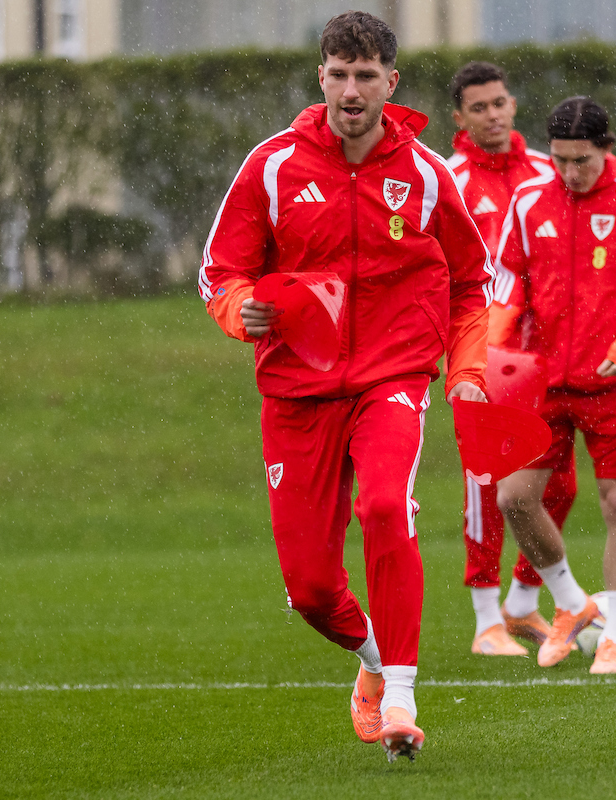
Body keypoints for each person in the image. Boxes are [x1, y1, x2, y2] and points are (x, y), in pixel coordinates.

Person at [197, 11, 493, 761]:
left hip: (393, 376)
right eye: (339, 74)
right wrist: (241, 309)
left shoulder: (426, 174)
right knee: (309, 590)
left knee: (386, 505)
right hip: (296, 392)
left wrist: (465, 370)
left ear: (391, 82)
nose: (351, 89)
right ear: (320, 77)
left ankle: (401, 699)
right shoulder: (272, 166)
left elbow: (473, 282)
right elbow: (221, 272)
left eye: (366, 76)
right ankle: (372, 661)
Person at [491, 96, 616, 674]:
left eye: (582, 160)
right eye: (560, 160)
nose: (570, 172)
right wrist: (496, 354)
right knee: (513, 498)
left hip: (614, 381)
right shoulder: (529, 201)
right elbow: (508, 283)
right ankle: (573, 603)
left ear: (607, 149)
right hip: (540, 381)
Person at [446, 62, 579, 657]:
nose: (493, 115)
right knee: (485, 482)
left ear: (514, 104)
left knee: (560, 483)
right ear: (460, 117)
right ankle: (485, 622)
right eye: (479, 107)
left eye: (499, 103)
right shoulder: (447, 180)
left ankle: (523, 602)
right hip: (479, 352)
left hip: (546, 356)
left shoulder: (552, 172)